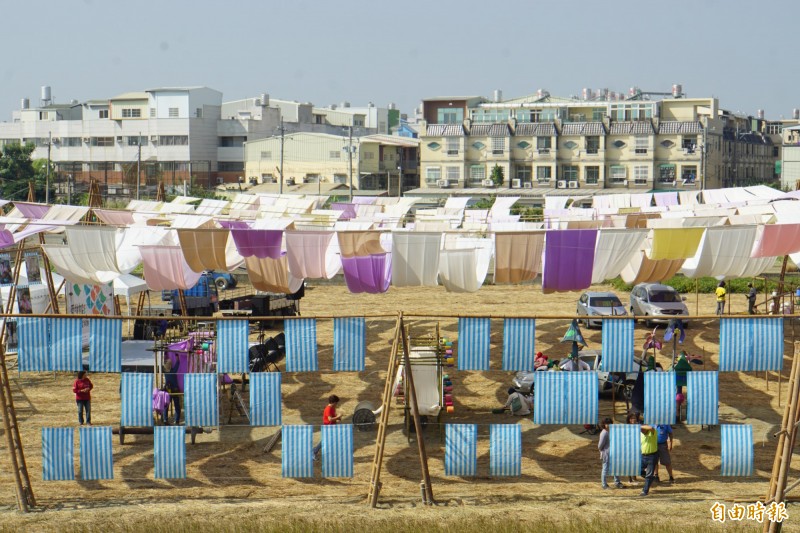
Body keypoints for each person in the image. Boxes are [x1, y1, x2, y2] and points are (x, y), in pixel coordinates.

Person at [628, 412, 658, 496]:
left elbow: (650, 427)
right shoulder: (641, 435)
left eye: (642, 429)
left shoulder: (653, 432)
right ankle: (651, 478)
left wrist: (639, 426)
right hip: (643, 456)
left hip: (652, 456)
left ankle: (645, 491)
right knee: (639, 470)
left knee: (648, 475)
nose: (641, 430)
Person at [313, 395, 342, 459]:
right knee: (325, 441)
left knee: (327, 441)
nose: (337, 404)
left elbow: (334, 418)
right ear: (334, 402)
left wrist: (338, 418)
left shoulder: (332, 408)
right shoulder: (328, 408)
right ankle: (314, 451)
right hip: (328, 428)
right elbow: (330, 419)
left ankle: (315, 451)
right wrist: (338, 416)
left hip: (332, 427)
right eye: (336, 403)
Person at [598, 417, 623, 489]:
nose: (608, 425)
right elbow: (600, 446)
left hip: (614, 453)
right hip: (606, 454)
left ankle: (617, 482)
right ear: (604, 424)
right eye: (607, 424)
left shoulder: (612, 431)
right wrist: (603, 451)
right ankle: (604, 484)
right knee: (605, 469)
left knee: (616, 468)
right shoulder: (604, 433)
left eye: (610, 423)